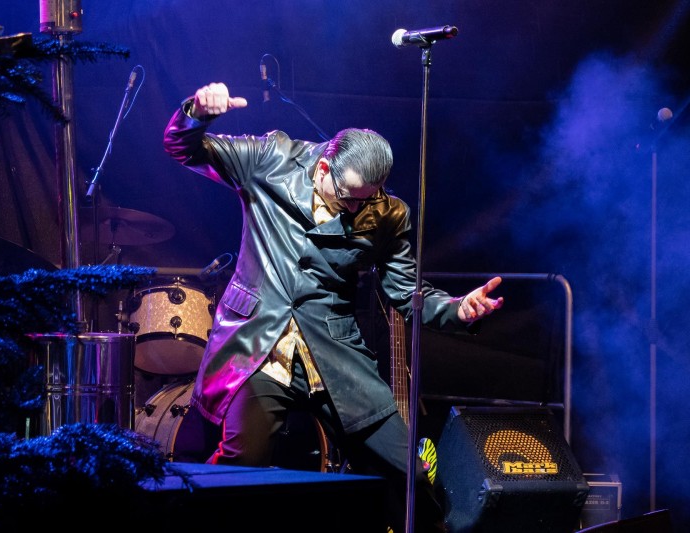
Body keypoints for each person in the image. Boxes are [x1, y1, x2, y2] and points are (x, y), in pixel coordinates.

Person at [163, 81, 504, 533]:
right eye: (349, 197)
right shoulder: (271, 158)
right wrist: (197, 113)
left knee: (411, 478)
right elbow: (183, 147)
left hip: (335, 357)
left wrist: (457, 310)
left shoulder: (388, 214)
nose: (358, 209)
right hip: (260, 349)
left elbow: (406, 291)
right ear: (324, 167)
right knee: (240, 469)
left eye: (369, 198)